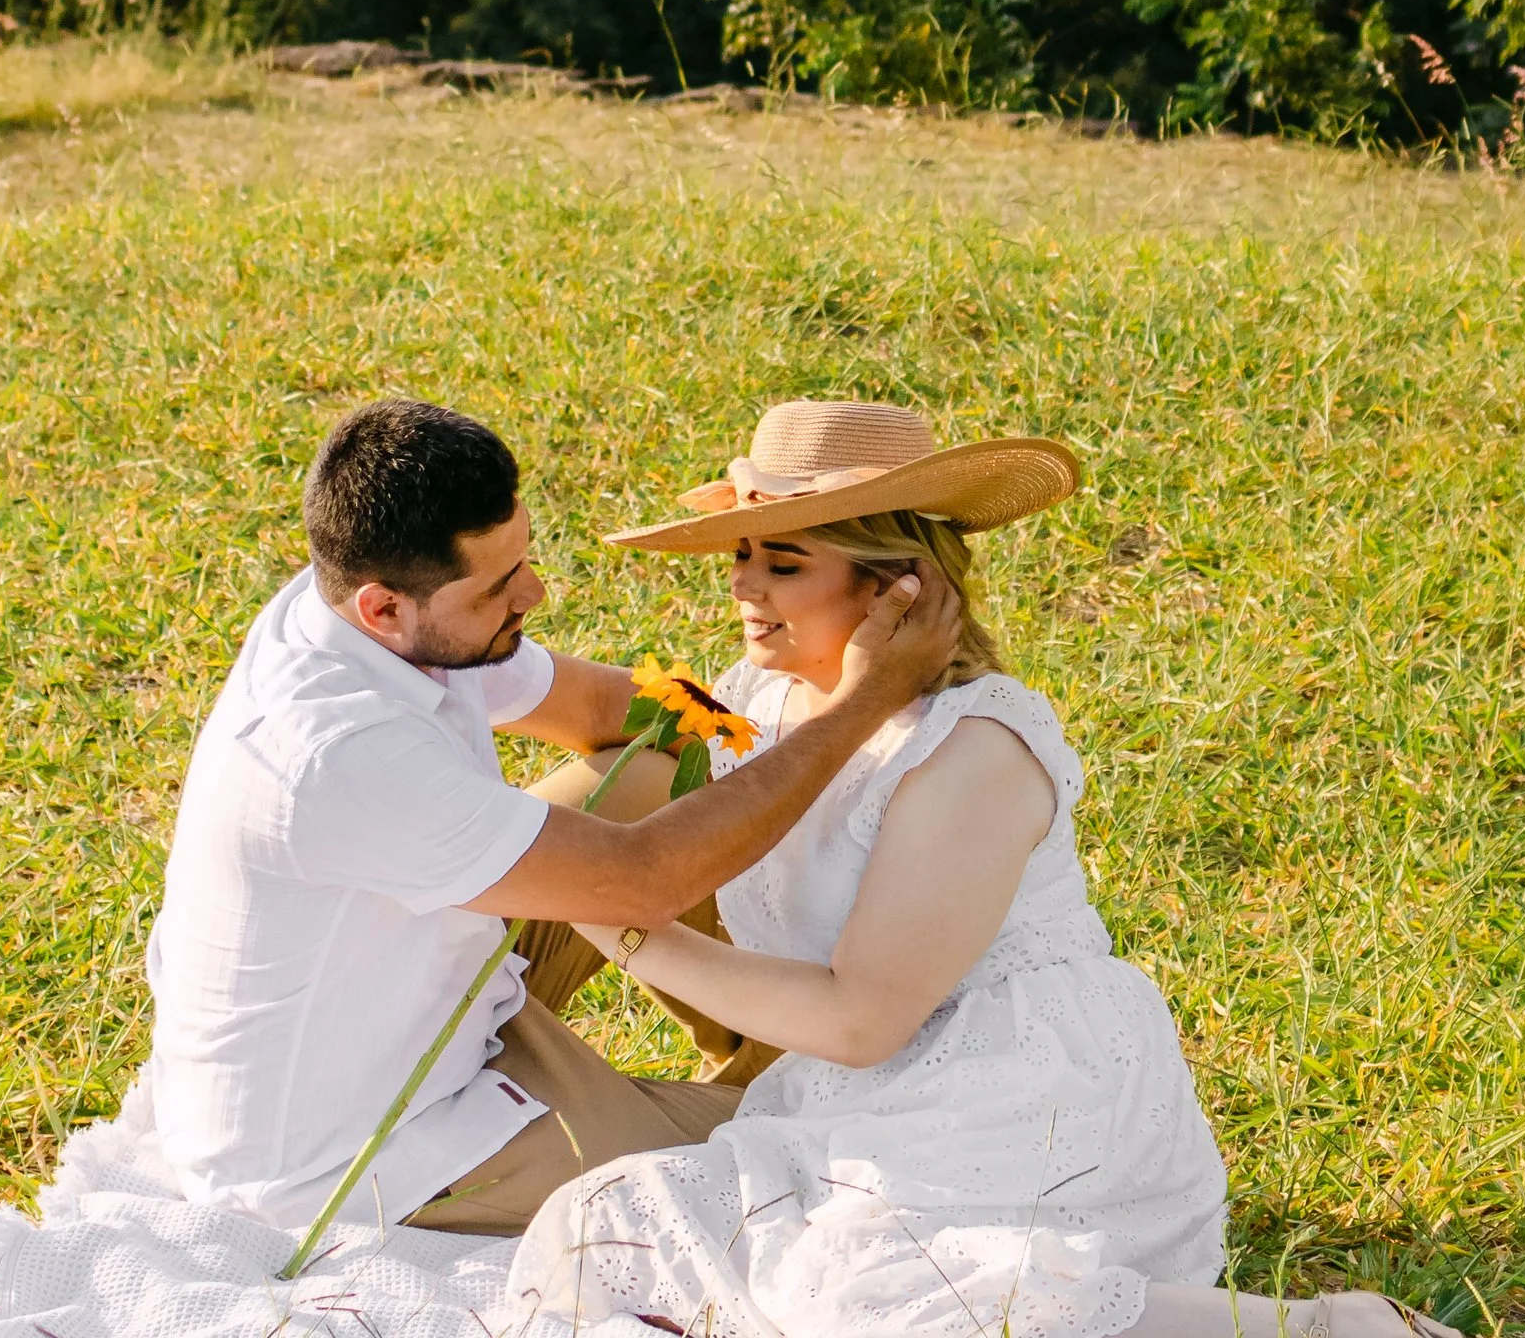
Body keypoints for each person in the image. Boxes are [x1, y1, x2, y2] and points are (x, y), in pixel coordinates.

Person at [510, 397, 1487, 1338]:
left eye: (782, 561)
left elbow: (862, 1019)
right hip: (859, 1095)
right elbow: (580, 703)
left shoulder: (974, 750)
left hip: (1022, 1088)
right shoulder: (756, 702)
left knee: (864, 1328)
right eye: (742, 553)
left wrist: (617, 913)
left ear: (896, 586)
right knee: (592, 1234)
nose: (742, 584)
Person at [144, 394, 965, 1247]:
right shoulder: (338, 751)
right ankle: (778, 1086)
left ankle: (773, 1047)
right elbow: (649, 880)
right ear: (383, 608)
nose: (535, 591)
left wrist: (776, 725)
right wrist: (868, 699)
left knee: (661, 774)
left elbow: (614, 712)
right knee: (786, 1165)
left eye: (524, 558)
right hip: (364, 1137)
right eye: (501, 586)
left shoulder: (373, 614)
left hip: (435, 977)